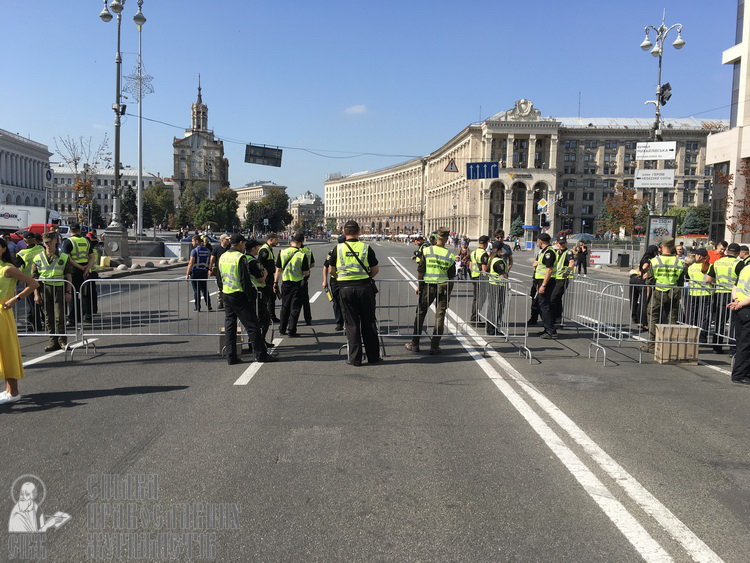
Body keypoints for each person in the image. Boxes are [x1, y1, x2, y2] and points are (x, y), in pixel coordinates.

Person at [329, 221, 381, 365]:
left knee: (352, 324)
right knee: (369, 323)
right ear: (359, 231)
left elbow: (331, 270)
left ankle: (355, 359)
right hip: (364, 288)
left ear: (344, 232)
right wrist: (365, 277)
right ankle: (373, 357)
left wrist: (340, 278)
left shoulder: (338, 249)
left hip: (345, 289)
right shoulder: (366, 247)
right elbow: (375, 269)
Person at [218, 234, 275, 365]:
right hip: (239, 294)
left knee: (230, 326)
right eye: (243, 243)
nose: (244, 246)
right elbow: (245, 280)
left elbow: (219, 276)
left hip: (227, 293)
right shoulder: (240, 257)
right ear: (239, 243)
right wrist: (250, 296)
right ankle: (261, 355)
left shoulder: (223, 256)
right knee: (253, 326)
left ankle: (231, 356)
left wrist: (222, 290)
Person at [0, 236, 39, 405]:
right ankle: (8, 390)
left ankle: (13, 392)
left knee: (6, 352)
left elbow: (33, 283)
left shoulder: (7, 269)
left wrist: (15, 299)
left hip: (2, 314)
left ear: (2, 249)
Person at [405, 227, 456, 354]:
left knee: (420, 314)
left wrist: (419, 285)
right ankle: (434, 347)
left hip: (428, 286)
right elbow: (451, 276)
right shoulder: (450, 255)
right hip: (443, 287)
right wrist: (449, 292)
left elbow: (421, 270)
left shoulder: (427, 250)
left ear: (437, 236)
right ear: (446, 238)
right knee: (440, 317)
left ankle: (415, 344)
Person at [32, 232, 73, 352]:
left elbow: (68, 275)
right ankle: (52, 341)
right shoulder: (38, 258)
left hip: (59, 289)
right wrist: (36, 293)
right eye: (45, 242)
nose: (48, 244)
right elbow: (34, 278)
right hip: (44, 289)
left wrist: (68, 291)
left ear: (55, 240)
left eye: (49, 241)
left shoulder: (64, 256)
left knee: (59, 316)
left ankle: (62, 341)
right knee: (48, 317)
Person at [642, 237, 684, 353]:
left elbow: (649, 280)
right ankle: (670, 345)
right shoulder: (679, 262)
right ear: (673, 247)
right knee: (672, 318)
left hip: (658, 292)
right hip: (673, 292)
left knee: (653, 316)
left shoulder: (655, 261)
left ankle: (651, 345)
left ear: (662, 247)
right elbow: (680, 281)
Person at [705, 242, 744, 354]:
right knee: (733, 322)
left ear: (727, 251)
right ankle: (733, 348)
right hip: (734, 295)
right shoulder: (739, 264)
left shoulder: (717, 262)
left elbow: (708, 279)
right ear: (737, 253)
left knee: (719, 320)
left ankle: (717, 346)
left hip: (719, 293)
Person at [274, 233, 309, 337]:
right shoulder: (301, 255)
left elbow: (278, 269)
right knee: (295, 308)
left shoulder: (282, 252)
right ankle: (291, 330)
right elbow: (306, 272)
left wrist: (275, 282)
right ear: (299, 243)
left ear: (291, 242)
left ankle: (282, 329)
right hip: (297, 284)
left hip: (285, 283)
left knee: (285, 306)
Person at [61, 224, 94, 325]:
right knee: (86, 294)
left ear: (70, 231)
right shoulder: (86, 240)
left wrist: (80, 267)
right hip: (86, 271)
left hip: (74, 271)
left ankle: (72, 319)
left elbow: (67, 258)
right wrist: (87, 268)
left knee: (72, 295)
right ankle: (87, 316)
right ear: (80, 231)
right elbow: (92, 257)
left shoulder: (67, 242)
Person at [245, 239, 273, 348]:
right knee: (264, 319)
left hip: (249, 292)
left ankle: (255, 342)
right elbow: (261, 278)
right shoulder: (253, 261)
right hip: (257, 292)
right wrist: (265, 274)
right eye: (257, 247)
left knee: (253, 319)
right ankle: (258, 342)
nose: (258, 249)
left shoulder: (243, 259)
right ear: (253, 248)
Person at [14, 232, 45, 331]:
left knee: (33, 304)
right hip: (44, 278)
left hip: (30, 281)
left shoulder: (21, 254)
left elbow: (16, 268)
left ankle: (36, 325)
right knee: (44, 303)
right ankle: (44, 322)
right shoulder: (41, 248)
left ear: (24, 241)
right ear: (35, 240)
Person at [531, 233, 558, 339]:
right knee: (542, 305)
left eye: (538, 241)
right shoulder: (544, 251)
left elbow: (549, 270)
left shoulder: (549, 252)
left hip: (546, 282)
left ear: (540, 241)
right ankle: (548, 328)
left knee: (544, 305)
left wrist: (543, 285)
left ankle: (550, 330)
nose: (537, 242)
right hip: (540, 281)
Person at [727, 264, 750, 384]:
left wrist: (736, 300)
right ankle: (740, 374)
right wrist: (741, 303)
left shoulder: (745, 268)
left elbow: (735, 286)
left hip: (740, 309)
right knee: (746, 345)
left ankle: (744, 372)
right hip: (746, 308)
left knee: (741, 342)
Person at [683, 248, 711, 343]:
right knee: (704, 317)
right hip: (705, 293)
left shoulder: (691, 267)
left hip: (694, 293)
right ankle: (702, 337)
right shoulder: (709, 266)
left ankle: (692, 336)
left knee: (693, 316)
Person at [322, 235, 346, 331]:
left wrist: (325, 280)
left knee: (340, 302)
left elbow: (325, 267)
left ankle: (342, 322)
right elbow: (326, 266)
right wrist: (324, 280)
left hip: (338, 280)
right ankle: (340, 322)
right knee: (337, 301)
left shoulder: (332, 251)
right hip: (340, 279)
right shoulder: (333, 252)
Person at [485, 241, 509, 335]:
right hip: (498, 286)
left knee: (493, 307)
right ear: (499, 250)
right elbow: (503, 275)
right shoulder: (498, 261)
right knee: (496, 307)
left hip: (493, 285)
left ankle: (491, 328)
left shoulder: (493, 258)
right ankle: (492, 329)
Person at [550, 236, 575, 326]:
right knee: (557, 300)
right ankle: (558, 320)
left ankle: (553, 319)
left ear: (566, 243)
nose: (562, 245)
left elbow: (571, 262)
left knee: (553, 299)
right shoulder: (557, 252)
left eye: (563, 243)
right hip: (556, 278)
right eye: (560, 243)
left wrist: (567, 272)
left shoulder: (568, 252)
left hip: (563, 279)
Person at [186, 235, 213, 312]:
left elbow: (191, 263)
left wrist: (187, 274)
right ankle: (209, 306)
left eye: (193, 241)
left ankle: (197, 307)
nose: (192, 243)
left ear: (197, 241)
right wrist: (209, 269)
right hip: (204, 272)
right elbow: (209, 262)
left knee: (196, 290)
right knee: (204, 289)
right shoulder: (208, 251)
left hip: (195, 272)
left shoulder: (194, 251)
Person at [468, 235, 490, 323]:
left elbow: (470, 266)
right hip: (480, 278)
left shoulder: (474, 252)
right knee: (480, 298)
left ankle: (475, 317)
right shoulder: (484, 254)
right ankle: (475, 317)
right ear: (486, 243)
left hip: (474, 276)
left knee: (476, 298)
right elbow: (484, 270)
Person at [258, 234, 280, 322]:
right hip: (266, 278)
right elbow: (260, 264)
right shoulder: (264, 250)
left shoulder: (269, 249)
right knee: (266, 298)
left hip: (270, 276)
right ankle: (265, 318)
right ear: (271, 239)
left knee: (272, 297)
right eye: (276, 240)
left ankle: (272, 316)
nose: (277, 242)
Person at [209, 234, 230, 310]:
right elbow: (212, 259)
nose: (228, 241)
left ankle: (226, 302)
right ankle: (220, 302)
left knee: (227, 286)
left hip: (228, 270)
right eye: (226, 239)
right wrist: (210, 269)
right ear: (222, 240)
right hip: (219, 270)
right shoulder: (217, 249)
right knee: (220, 287)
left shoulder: (229, 248)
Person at [299, 235, 315, 325]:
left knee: (290, 301)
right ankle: (308, 319)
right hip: (305, 277)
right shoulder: (308, 250)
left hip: (292, 278)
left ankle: (289, 321)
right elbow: (312, 264)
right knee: (305, 300)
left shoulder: (290, 251)